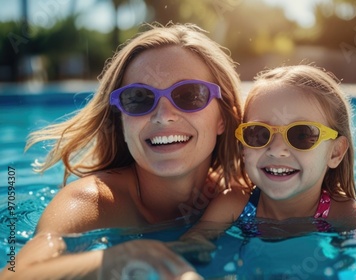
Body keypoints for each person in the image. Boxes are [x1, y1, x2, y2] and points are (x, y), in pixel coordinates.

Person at [0, 22, 251, 279]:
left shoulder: (237, 194)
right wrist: (120, 257)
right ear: (120, 121)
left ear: (222, 117)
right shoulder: (90, 203)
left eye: (189, 95)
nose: (163, 116)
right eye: (139, 98)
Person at [188, 64, 356, 241]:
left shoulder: (348, 218)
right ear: (242, 147)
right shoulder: (232, 206)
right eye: (258, 134)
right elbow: (191, 246)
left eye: (301, 134)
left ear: (335, 153)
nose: (276, 150)